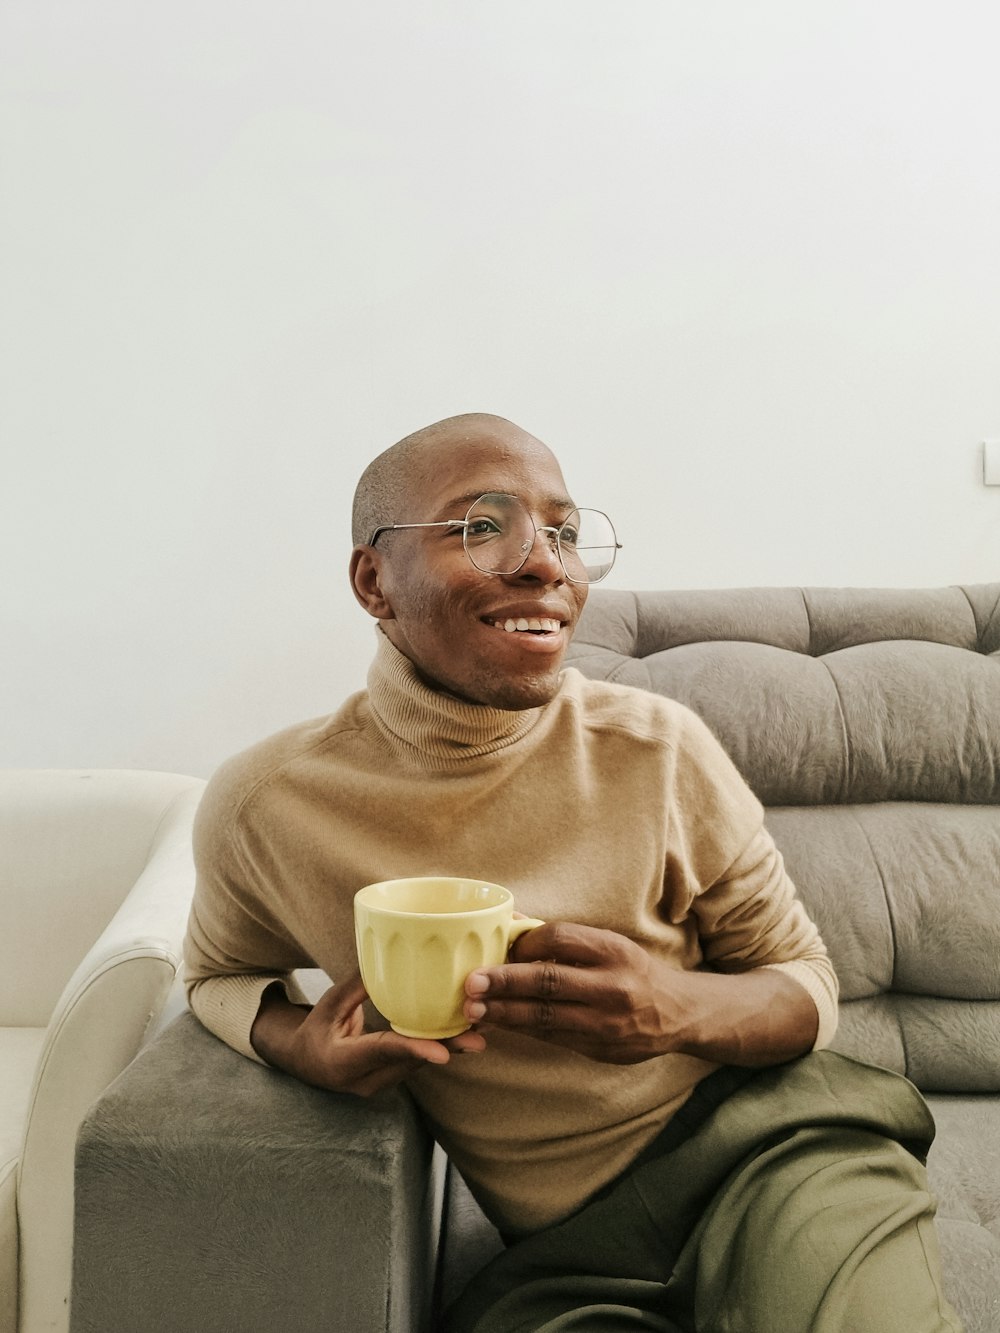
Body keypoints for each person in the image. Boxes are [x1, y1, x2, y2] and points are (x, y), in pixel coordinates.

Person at [185, 412, 962, 1331]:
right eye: (483, 526)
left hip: (773, 1156)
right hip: (568, 1251)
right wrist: (298, 1044)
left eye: (562, 531)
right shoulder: (270, 804)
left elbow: (807, 985)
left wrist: (673, 1007)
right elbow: (216, 976)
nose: (547, 564)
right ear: (373, 581)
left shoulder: (658, 749)